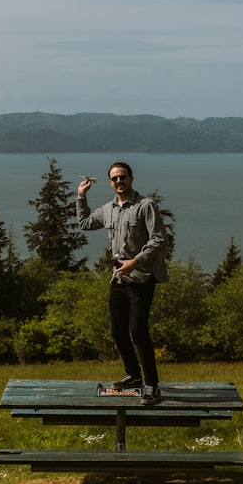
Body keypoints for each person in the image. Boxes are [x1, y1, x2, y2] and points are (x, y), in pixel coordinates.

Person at [77, 162, 169, 406]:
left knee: (138, 331)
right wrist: (81, 196)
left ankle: (152, 387)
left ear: (131, 178)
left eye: (123, 177)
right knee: (118, 331)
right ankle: (134, 377)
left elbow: (159, 239)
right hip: (118, 278)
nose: (119, 182)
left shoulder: (145, 206)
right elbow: (85, 223)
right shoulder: (108, 209)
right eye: (114, 179)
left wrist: (135, 262)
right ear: (110, 182)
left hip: (140, 278)